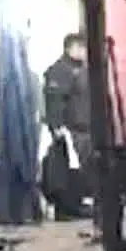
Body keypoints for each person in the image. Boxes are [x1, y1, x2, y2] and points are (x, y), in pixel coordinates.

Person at [41, 32, 91, 219]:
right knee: (67, 171)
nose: (85, 52)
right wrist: (57, 126)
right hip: (70, 129)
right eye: (82, 48)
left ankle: (77, 204)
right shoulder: (60, 70)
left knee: (81, 170)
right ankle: (67, 207)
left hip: (84, 127)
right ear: (73, 48)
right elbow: (55, 99)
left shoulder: (82, 69)